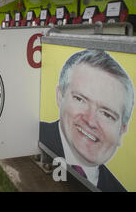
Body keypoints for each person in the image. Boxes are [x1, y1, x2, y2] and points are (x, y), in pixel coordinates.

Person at [40, 49, 134, 192]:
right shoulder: (27, 138)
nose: (90, 121)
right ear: (60, 96)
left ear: (122, 131)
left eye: (107, 114)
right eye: (80, 99)